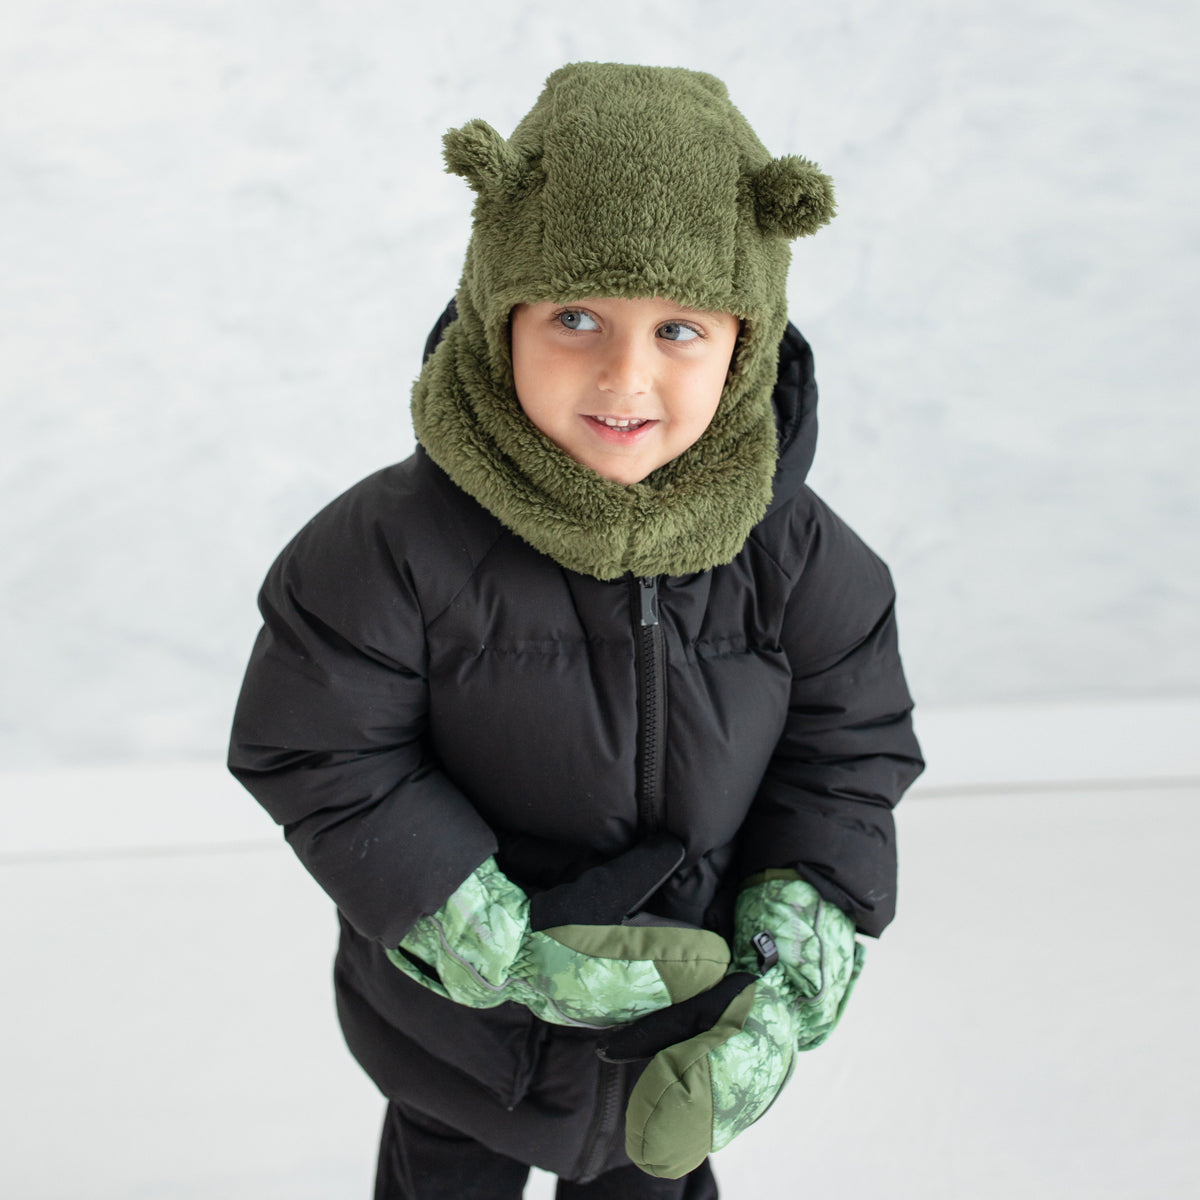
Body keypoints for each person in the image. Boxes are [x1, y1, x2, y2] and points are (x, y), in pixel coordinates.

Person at [229, 62, 924, 1200]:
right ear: (499, 305)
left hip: (681, 1028)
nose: (625, 374)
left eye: (682, 328)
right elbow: (320, 748)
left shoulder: (801, 557)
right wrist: (487, 935)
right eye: (576, 315)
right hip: (459, 1029)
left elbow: (850, 754)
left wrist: (796, 937)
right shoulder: (387, 547)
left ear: (747, 338)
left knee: (652, 1178)